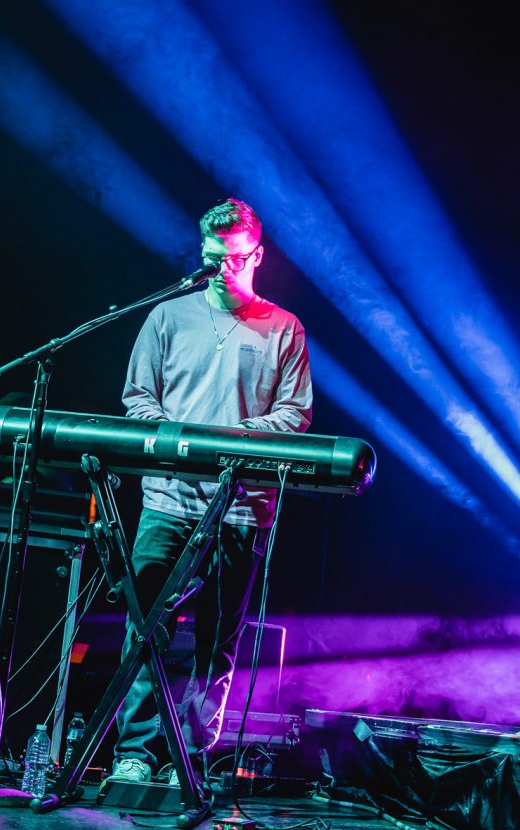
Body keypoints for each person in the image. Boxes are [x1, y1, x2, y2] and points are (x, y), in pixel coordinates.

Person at [108, 198, 313, 786]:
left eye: (232, 259)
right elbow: (137, 400)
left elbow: (294, 415)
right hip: (168, 503)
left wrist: (226, 441)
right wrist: (178, 441)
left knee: (217, 640)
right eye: (209, 259)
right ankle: (136, 751)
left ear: (257, 256)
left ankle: (189, 756)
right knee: (146, 627)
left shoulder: (283, 328)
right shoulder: (166, 318)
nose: (220, 270)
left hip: (241, 510)